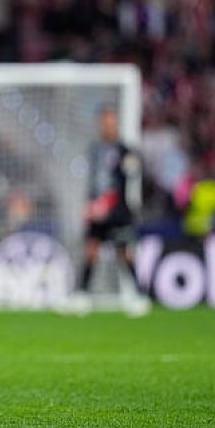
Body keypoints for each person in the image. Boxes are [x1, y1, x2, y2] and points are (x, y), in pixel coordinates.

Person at [80, 105, 146, 309]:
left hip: (117, 211)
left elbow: (125, 180)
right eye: (105, 121)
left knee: (124, 253)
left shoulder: (124, 150)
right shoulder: (95, 150)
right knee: (91, 250)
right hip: (97, 210)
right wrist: (90, 205)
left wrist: (106, 204)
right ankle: (81, 294)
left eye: (111, 121)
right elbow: (93, 182)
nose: (108, 125)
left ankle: (137, 295)